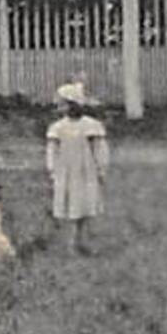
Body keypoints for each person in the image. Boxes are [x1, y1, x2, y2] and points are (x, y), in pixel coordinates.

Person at [46, 81, 109, 255]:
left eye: (63, 104)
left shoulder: (90, 125)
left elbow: (99, 149)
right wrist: (52, 169)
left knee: (84, 206)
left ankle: (83, 241)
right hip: (66, 171)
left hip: (85, 171)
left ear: (73, 105)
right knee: (71, 206)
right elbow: (52, 150)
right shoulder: (57, 128)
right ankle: (71, 243)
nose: (59, 107)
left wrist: (101, 168)